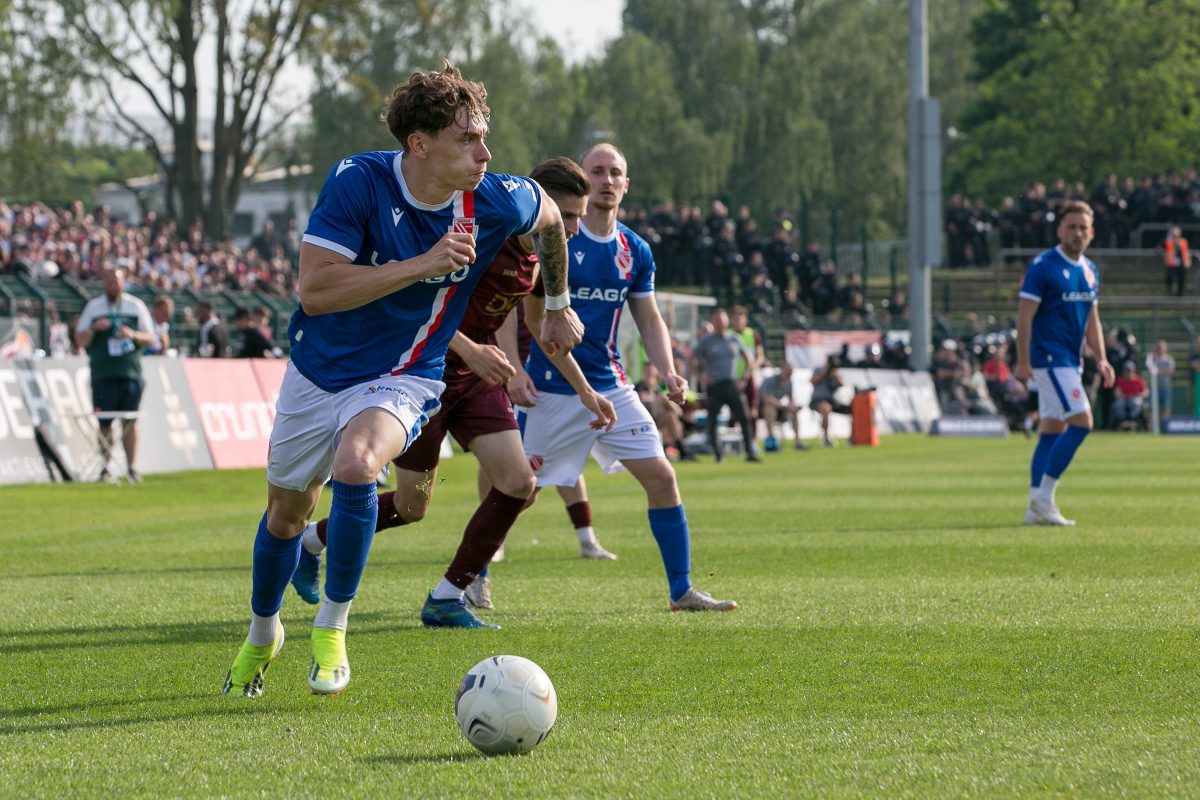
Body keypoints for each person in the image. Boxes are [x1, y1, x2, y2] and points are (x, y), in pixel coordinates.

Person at [221, 62, 584, 699]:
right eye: (468, 138)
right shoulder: (358, 180)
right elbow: (315, 289)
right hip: (319, 369)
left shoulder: (496, 196)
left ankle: (332, 630)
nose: (485, 151)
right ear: (420, 145)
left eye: (484, 135)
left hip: (406, 373)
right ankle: (263, 630)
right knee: (286, 514)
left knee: (359, 464)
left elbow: (550, 217)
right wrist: (422, 265)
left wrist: (556, 303)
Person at [291, 157, 615, 628]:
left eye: (578, 219)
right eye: (564, 217)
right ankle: (310, 542)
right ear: (538, 204)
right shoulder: (484, 234)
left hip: (474, 383)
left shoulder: (544, 258)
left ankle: (448, 594)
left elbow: (544, 327)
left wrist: (584, 390)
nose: (570, 229)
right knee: (411, 507)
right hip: (421, 376)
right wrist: (471, 348)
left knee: (518, 482)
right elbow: (418, 302)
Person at [520, 143, 737, 612]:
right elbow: (530, 313)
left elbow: (650, 319)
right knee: (515, 491)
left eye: (614, 172)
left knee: (662, 477)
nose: (606, 179)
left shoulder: (634, 250)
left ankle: (681, 591)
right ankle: (469, 576)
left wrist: (670, 373)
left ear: (626, 183)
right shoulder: (557, 237)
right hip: (552, 388)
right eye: (596, 171)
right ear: (583, 178)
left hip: (611, 386)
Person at [1015, 200, 1115, 527]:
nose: (1077, 233)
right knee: (1082, 423)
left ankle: (1034, 508)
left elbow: (1093, 321)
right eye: (1071, 227)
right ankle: (1045, 497)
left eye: (1083, 228)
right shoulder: (1043, 266)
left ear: (1091, 233)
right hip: (1049, 359)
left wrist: (1101, 358)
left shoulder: (1090, 270)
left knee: (1051, 430)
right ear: (1059, 230)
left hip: (1071, 361)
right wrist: (1022, 361)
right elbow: (1024, 317)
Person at [73, 267, 155, 482]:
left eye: (116, 282)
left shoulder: (135, 306)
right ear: (103, 283)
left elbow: (151, 337)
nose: (113, 286)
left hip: (130, 373)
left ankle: (131, 468)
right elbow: (80, 339)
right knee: (105, 423)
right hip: (103, 373)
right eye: (109, 282)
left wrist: (133, 334)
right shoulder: (94, 307)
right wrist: (94, 328)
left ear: (123, 282)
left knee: (130, 422)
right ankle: (105, 468)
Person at [692, 307, 760, 463]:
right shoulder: (706, 341)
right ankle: (717, 454)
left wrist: (744, 379)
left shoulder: (734, 339)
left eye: (722, 321)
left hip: (731, 384)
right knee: (713, 421)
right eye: (717, 321)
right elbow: (691, 359)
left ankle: (749, 451)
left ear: (726, 322)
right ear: (713, 323)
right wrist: (700, 376)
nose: (720, 324)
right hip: (714, 386)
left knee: (744, 417)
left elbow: (749, 360)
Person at [758, 362, 806, 450]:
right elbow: (767, 398)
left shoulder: (788, 382)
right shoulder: (770, 380)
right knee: (770, 409)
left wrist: (794, 407)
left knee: (793, 411)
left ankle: (797, 441)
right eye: (787, 373)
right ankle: (771, 440)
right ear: (782, 370)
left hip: (779, 409)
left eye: (791, 373)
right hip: (762, 410)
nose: (789, 375)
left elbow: (791, 400)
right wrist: (784, 406)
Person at [810, 354, 851, 447]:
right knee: (825, 408)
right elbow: (812, 381)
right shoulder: (819, 370)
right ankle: (826, 437)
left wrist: (835, 376)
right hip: (817, 400)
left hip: (832, 400)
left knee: (852, 409)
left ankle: (852, 438)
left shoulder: (835, 373)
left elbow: (842, 385)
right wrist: (825, 372)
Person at [1145, 339, 1175, 423]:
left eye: (1162, 347)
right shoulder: (1152, 359)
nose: (1160, 349)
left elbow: (1170, 371)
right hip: (1154, 388)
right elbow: (1149, 371)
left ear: (1166, 348)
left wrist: (1157, 371)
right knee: (1151, 407)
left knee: (1166, 408)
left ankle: (1165, 426)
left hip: (1165, 387)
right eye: (1158, 347)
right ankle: (1151, 426)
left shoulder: (1169, 359)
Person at [1112, 361, 1148, 431]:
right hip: (1124, 399)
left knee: (1135, 402)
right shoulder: (1121, 380)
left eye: (1129, 371)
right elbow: (1117, 393)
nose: (1128, 373)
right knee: (1119, 404)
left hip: (1135, 400)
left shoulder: (1139, 380)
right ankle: (1123, 421)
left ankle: (1132, 421)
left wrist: (1138, 395)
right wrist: (1124, 396)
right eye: (1126, 371)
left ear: (1134, 371)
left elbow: (1145, 392)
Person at [1160, 226, 1191, 297]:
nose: (1175, 236)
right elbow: (1160, 248)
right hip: (1171, 264)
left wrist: (1188, 260)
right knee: (1169, 278)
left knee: (1181, 280)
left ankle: (1180, 295)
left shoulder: (1184, 242)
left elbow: (1186, 252)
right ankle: (1170, 292)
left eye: (1176, 235)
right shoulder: (1167, 242)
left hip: (1181, 264)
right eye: (1174, 235)